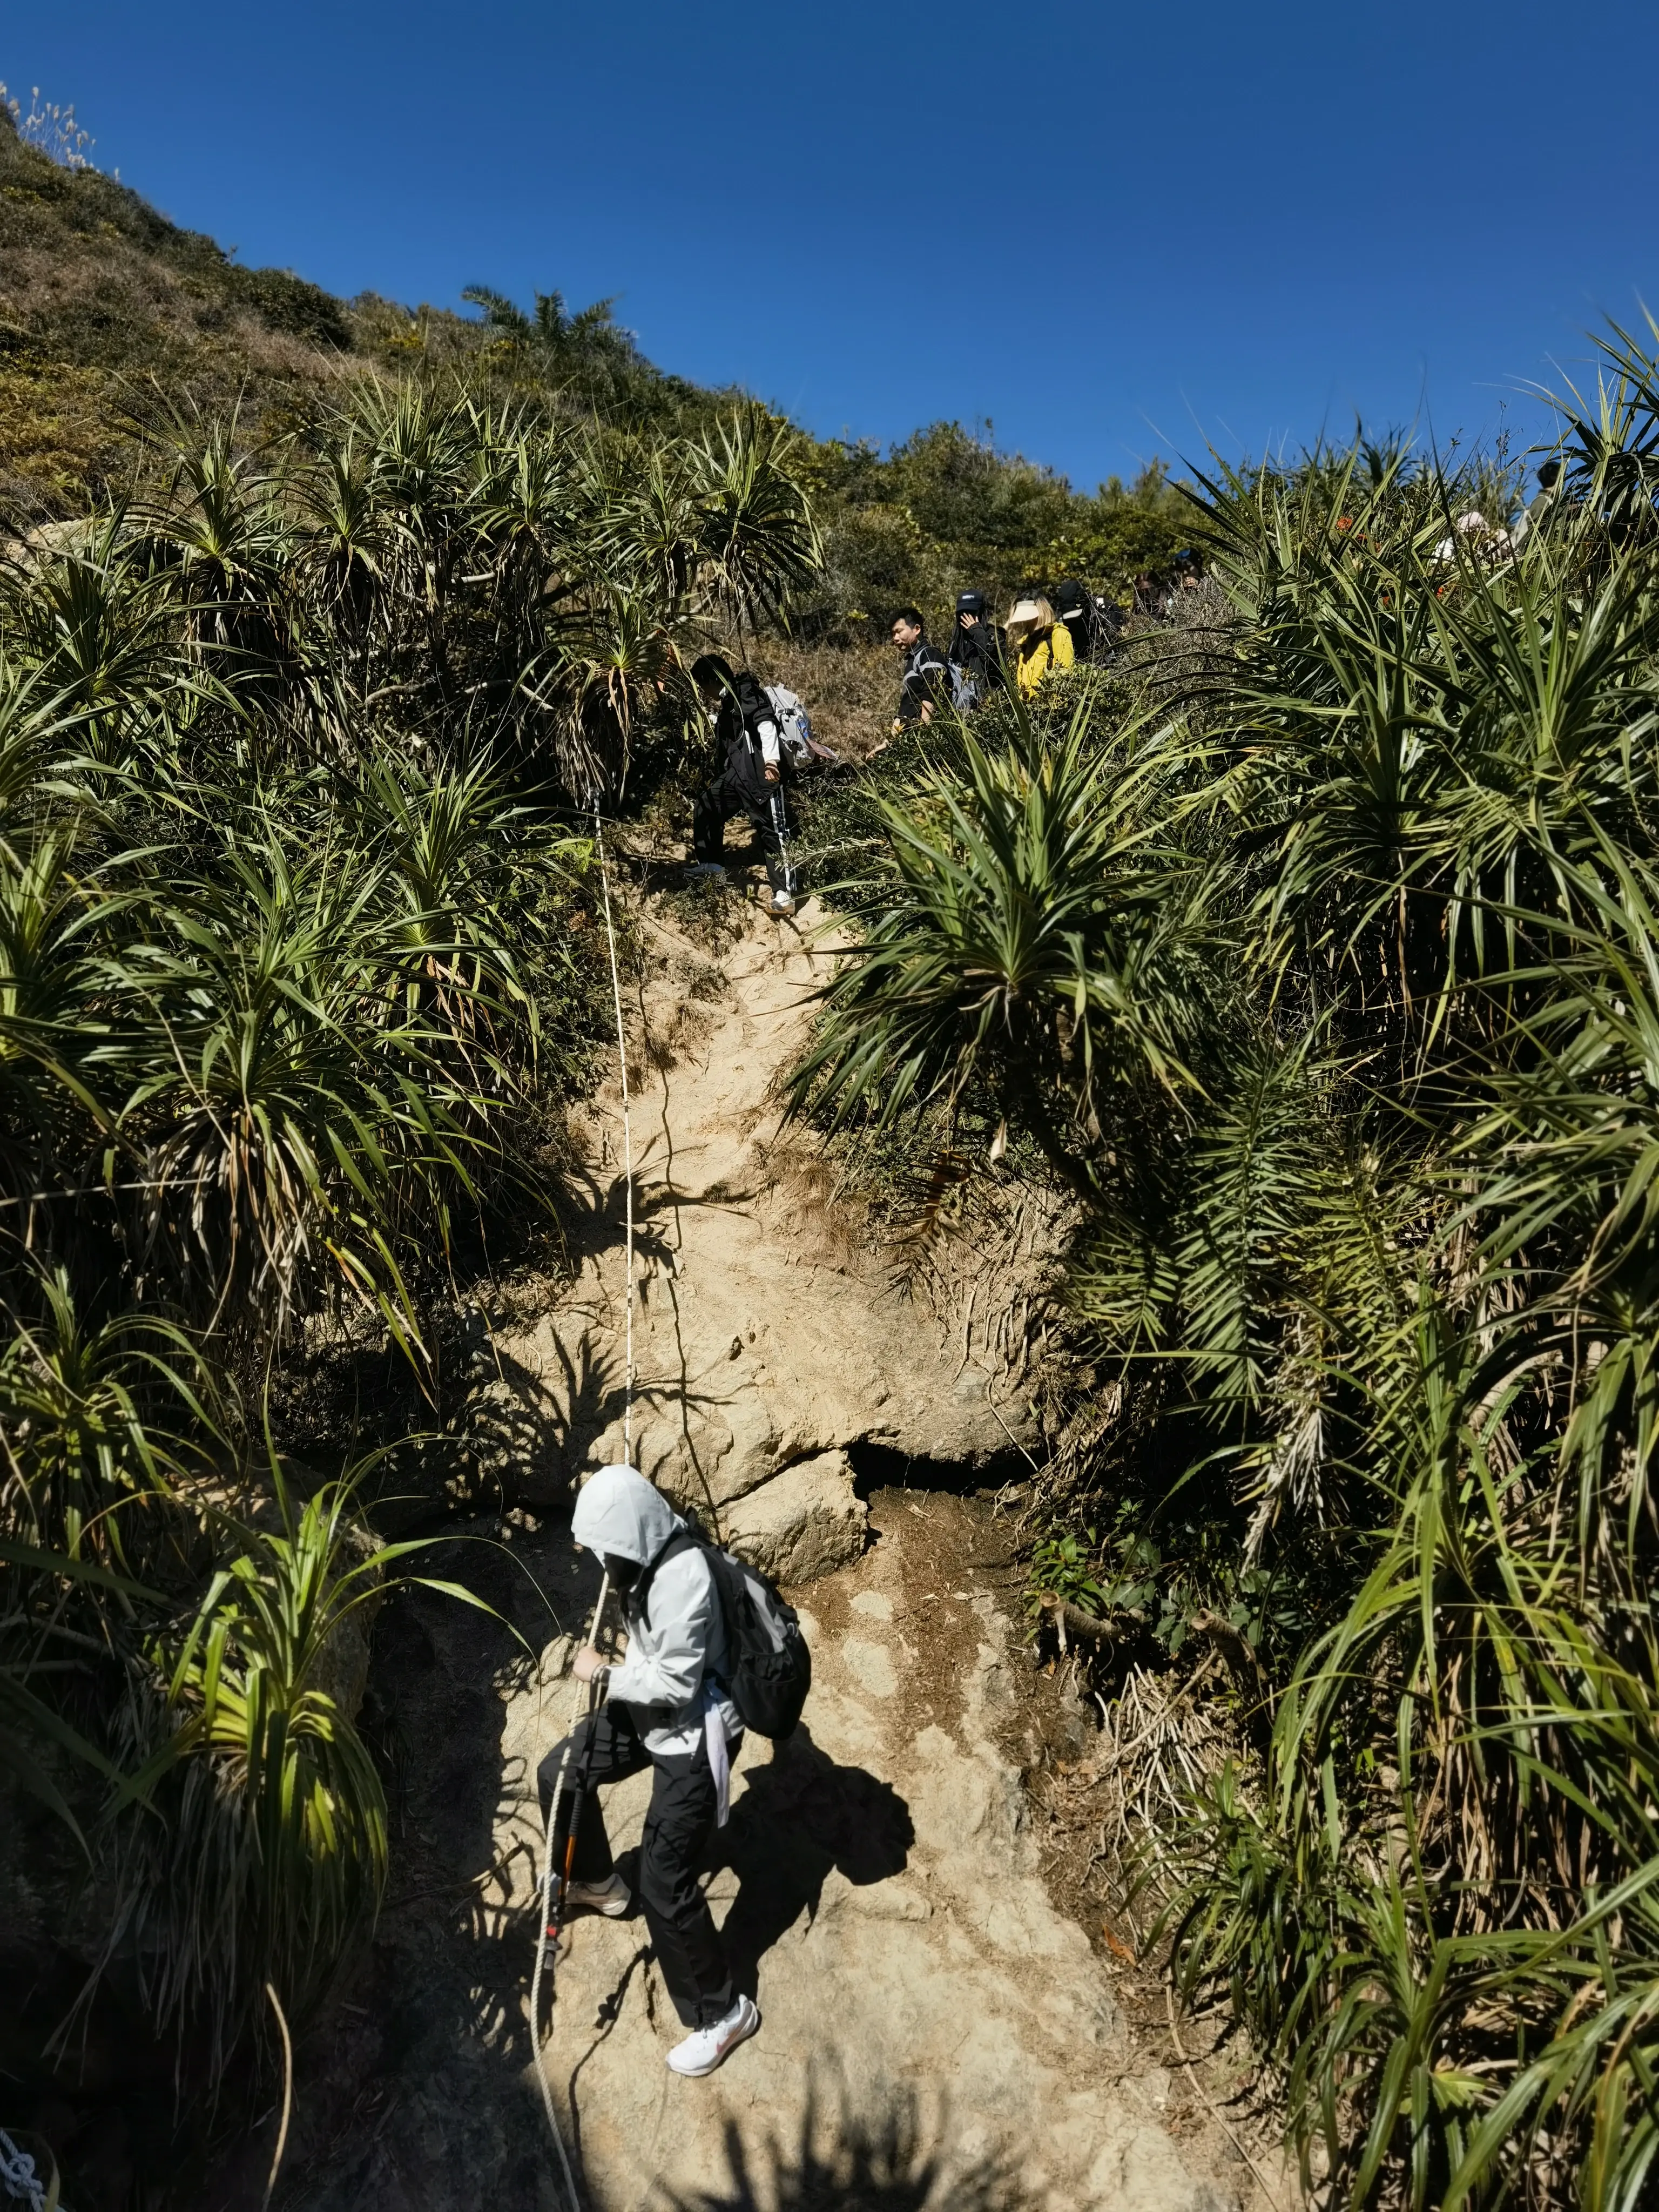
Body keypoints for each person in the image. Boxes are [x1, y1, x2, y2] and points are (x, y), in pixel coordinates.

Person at [537, 1462, 758, 2079]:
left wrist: (603, 1671)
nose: (599, 1562)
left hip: (691, 1734)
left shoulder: (684, 1576)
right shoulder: (640, 1559)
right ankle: (599, 1883)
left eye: (605, 1549)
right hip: (648, 1713)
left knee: (666, 1883)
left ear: (632, 1538)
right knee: (562, 1773)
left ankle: (724, 2013)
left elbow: (677, 1682)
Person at [685, 653, 798, 919]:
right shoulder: (728, 702)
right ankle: (712, 865)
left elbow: (765, 723)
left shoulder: (745, 690)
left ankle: (785, 894)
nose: (703, 692)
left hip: (761, 775)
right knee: (707, 805)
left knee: (773, 832)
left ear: (712, 679)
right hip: (737, 776)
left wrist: (771, 761)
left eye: (703, 686)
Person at [888, 606, 950, 736]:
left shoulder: (929, 654)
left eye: (899, 632)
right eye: (893, 634)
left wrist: (925, 732)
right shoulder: (912, 661)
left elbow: (932, 692)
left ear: (916, 629)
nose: (895, 638)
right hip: (909, 738)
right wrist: (888, 742)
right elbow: (906, 707)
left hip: (926, 736)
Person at [1004, 594, 1075, 698]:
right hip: (1027, 707)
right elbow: (1021, 679)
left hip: (1049, 706)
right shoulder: (1025, 642)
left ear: (1042, 612)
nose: (1026, 621)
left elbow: (1066, 672)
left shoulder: (1058, 634)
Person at [946, 588, 1004, 709]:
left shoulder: (995, 637)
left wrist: (977, 632)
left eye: (972, 613)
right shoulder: (957, 642)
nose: (968, 618)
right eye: (964, 613)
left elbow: (994, 667)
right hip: (961, 712)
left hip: (987, 711)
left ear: (982, 612)